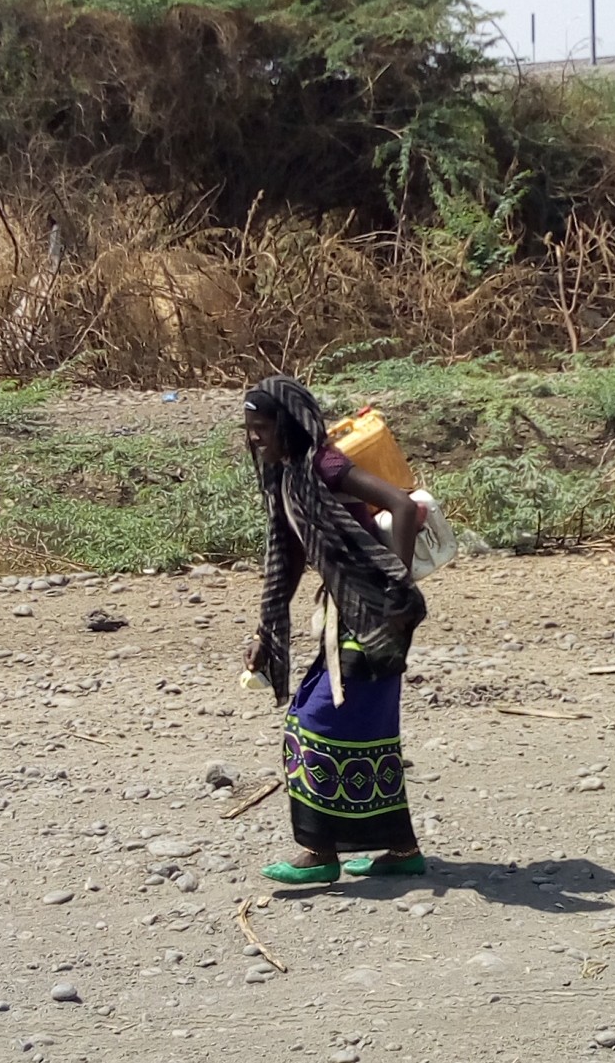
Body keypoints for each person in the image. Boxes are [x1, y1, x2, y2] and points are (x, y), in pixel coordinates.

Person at [241, 375, 429, 884]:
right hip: (347, 610)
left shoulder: (325, 465)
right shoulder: (285, 477)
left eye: (262, 427)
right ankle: (402, 849)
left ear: (287, 424)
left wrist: (397, 583)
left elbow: (404, 506)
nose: (255, 437)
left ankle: (320, 854)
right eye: (250, 427)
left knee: (315, 721)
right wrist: (266, 633)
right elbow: (289, 560)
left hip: (377, 612)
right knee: (367, 726)